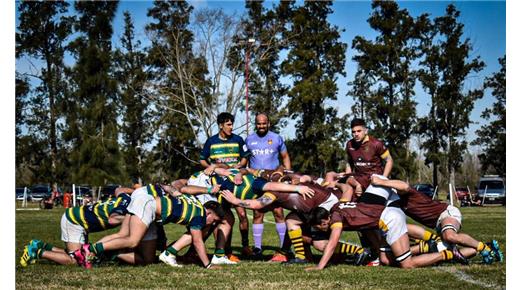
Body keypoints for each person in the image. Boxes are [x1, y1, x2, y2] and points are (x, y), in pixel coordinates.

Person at [73, 184, 224, 269]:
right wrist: (208, 265)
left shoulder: (193, 201)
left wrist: (168, 190)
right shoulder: (200, 216)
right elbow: (197, 241)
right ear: (209, 212)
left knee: (147, 257)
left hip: (148, 206)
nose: (212, 223)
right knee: (132, 241)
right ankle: (89, 250)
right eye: (214, 220)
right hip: (148, 206)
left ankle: (108, 254)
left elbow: (174, 189)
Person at [370, 176, 504, 264]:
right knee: (445, 253)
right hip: (438, 223)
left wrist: (381, 182)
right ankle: (487, 247)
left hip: (446, 213)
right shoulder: (394, 207)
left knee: (449, 236)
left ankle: (484, 247)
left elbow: (404, 185)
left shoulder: (405, 194)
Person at [20, 188, 132, 267]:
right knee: (76, 260)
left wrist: (135, 190)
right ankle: (36, 252)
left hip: (78, 217)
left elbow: (119, 189)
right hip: (75, 221)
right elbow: (112, 219)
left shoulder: (126, 197)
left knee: (79, 253)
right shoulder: (125, 206)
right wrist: (134, 218)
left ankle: (40, 245)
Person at [200, 112, 252, 258]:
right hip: (220, 183)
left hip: (236, 180)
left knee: (242, 213)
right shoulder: (211, 141)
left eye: (231, 124)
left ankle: (245, 245)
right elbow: (203, 160)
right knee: (223, 215)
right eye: (228, 124)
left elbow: (245, 158)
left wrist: (239, 165)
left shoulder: (238, 139)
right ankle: (225, 250)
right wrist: (212, 167)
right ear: (221, 125)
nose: (231, 127)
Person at [245, 113, 291, 259]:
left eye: (264, 123)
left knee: (278, 212)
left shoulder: (277, 138)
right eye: (259, 123)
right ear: (255, 124)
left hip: (274, 180)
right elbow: (245, 160)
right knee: (258, 213)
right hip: (257, 181)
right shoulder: (249, 139)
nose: (261, 126)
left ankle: (284, 247)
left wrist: (288, 174)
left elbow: (285, 157)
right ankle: (257, 248)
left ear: (268, 123)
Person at [325, 118, 393, 201]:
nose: (356, 134)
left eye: (359, 131)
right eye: (353, 132)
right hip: (358, 178)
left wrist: (383, 179)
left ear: (366, 131)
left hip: (373, 178)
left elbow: (389, 160)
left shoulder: (376, 144)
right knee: (335, 184)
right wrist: (348, 176)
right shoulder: (349, 144)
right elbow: (349, 163)